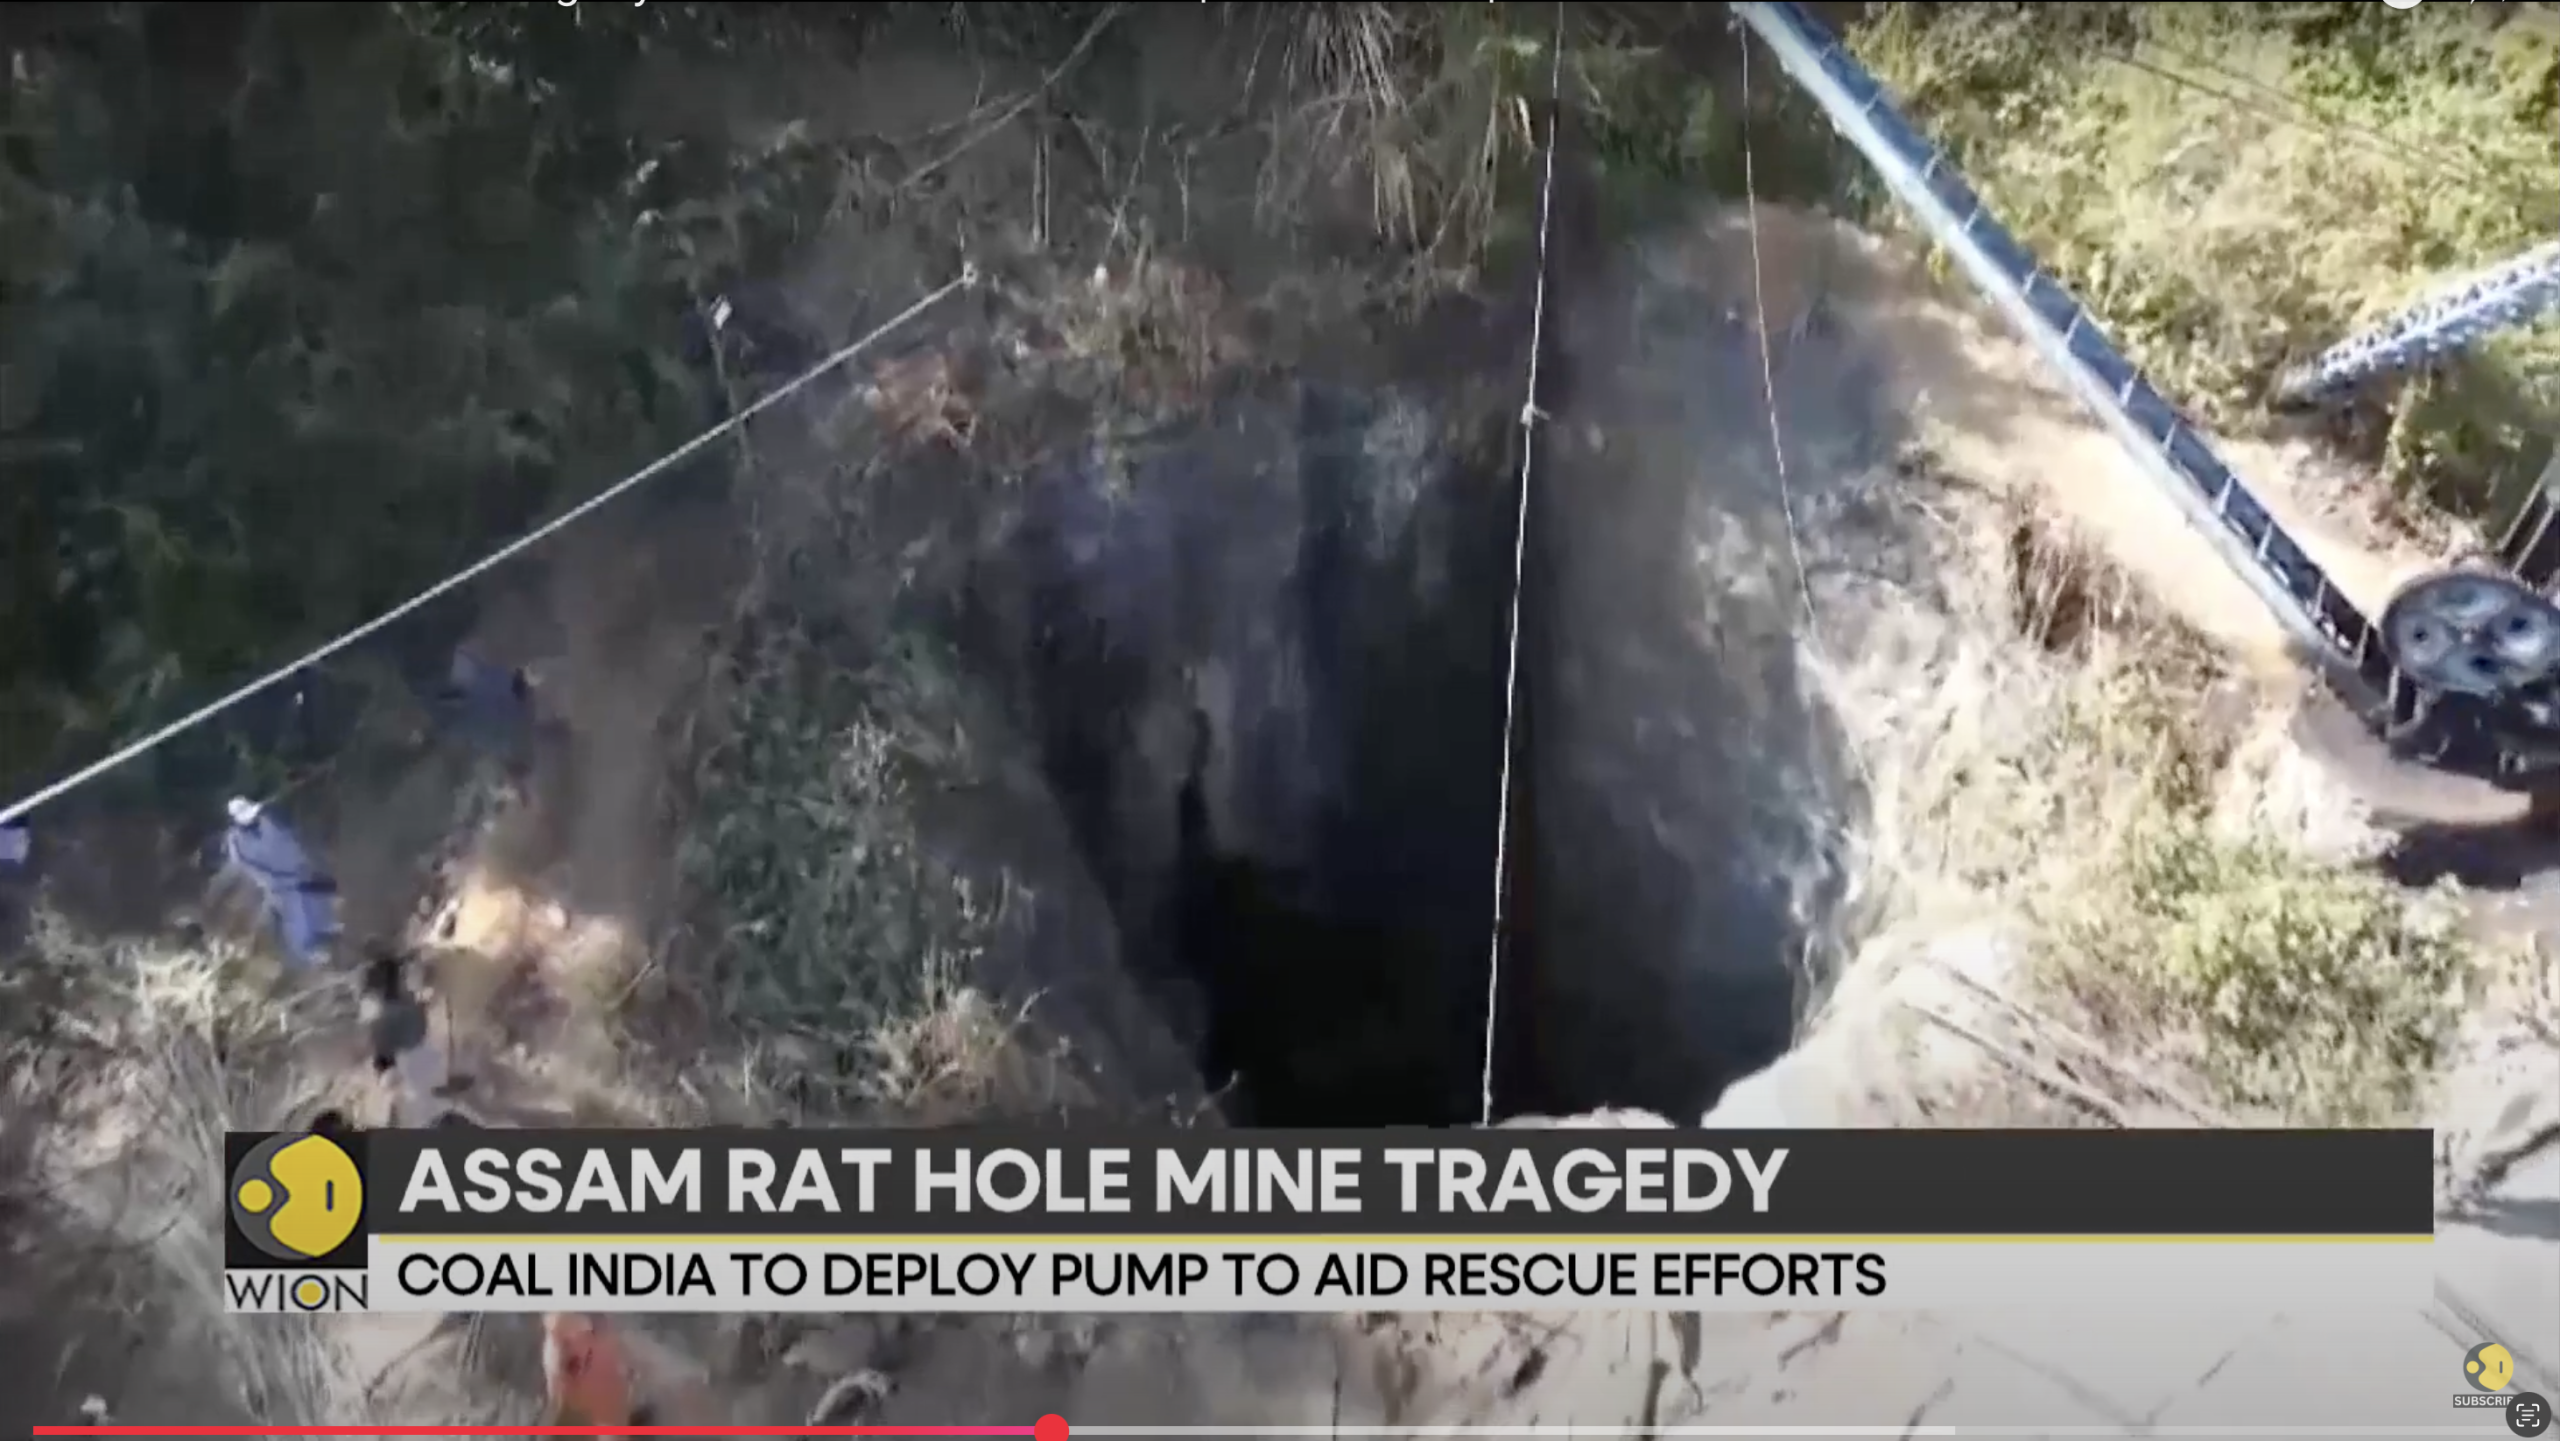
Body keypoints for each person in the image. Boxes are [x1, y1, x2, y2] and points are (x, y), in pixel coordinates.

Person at [220, 797, 340, 971]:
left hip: (298, 870)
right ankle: (309, 952)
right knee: (296, 913)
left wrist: (302, 862)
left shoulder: (269, 822)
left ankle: (327, 929)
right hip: (277, 883)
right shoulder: (235, 840)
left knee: (318, 898)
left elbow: (290, 840)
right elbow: (243, 865)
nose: (252, 820)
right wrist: (268, 879)